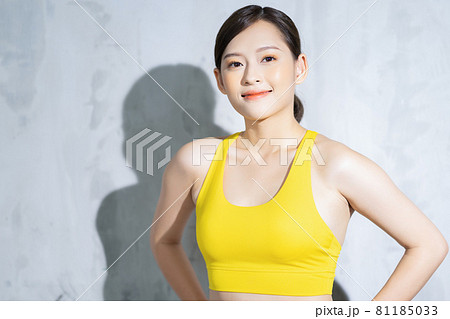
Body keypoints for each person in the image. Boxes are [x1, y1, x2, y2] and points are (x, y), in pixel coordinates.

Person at [150, 5, 448, 301]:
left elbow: (428, 244)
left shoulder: (335, 164)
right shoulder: (196, 161)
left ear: (300, 67)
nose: (251, 76)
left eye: (268, 58)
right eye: (235, 64)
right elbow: (164, 242)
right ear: (220, 80)